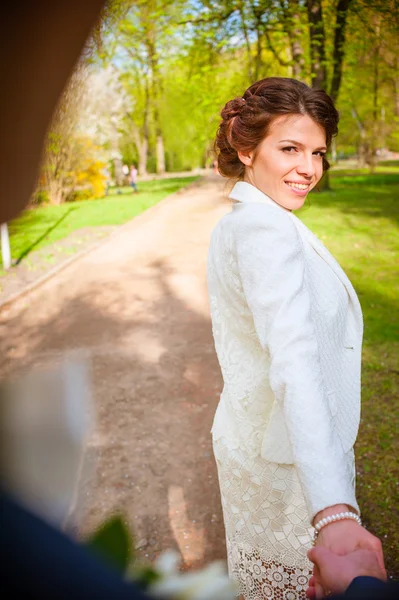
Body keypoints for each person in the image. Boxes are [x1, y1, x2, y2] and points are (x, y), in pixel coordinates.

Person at [207, 77, 384, 599]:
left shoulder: (247, 218)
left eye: (318, 152)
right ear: (246, 149)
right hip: (289, 464)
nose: (308, 168)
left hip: (258, 442)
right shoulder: (264, 231)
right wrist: (331, 509)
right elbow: (293, 362)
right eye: (290, 149)